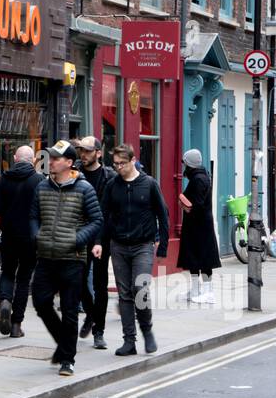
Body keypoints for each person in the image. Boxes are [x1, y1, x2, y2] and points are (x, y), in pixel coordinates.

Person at [28, 141, 103, 376]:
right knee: (40, 302)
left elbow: (97, 220)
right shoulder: (42, 187)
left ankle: (67, 359)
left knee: (70, 309)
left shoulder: (84, 189)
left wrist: (77, 239)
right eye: (50, 158)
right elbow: (33, 216)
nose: (50, 162)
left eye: (56, 159)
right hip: (46, 256)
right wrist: (36, 235)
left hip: (72, 258)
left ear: (69, 163)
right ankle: (64, 342)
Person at [102, 143, 170, 356]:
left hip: (143, 245)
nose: (118, 168)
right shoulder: (113, 185)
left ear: (133, 161)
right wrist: (99, 242)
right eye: (115, 164)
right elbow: (103, 215)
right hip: (119, 245)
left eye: (122, 163)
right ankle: (129, 341)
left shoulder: (149, 184)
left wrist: (163, 247)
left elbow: (163, 215)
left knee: (139, 289)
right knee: (124, 294)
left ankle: (147, 332)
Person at [0, 145, 43, 338]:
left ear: (15, 158)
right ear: (33, 160)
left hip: (9, 236)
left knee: (8, 272)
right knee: (24, 279)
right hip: (30, 238)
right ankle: (17, 324)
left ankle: (4, 302)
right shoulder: (39, 181)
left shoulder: (3, 179)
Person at [75, 137, 112, 348]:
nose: (84, 155)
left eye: (88, 151)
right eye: (82, 151)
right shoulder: (74, 174)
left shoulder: (109, 176)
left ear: (98, 153)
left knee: (100, 285)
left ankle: (99, 331)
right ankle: (91, 314)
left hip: (101, 237)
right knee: (79, 282)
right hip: (79, 235)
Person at [177, 149, 221, 304]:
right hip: (195, 224)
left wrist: (186, 205)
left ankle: (209, 292)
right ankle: (195, 290)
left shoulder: (199, 179)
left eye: (185, 163)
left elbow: (198, 204)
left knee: (204, 259)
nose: (184, 167)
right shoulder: (198, 177)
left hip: (200, 225)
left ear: (190, 164)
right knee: (193, 258)